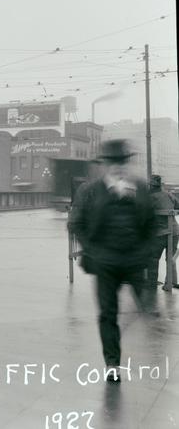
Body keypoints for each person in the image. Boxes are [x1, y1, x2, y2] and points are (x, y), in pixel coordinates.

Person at [68, 139, 158, 382]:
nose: (118, 167)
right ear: (104, 165)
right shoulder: (90, 190)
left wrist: (145, 252)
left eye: (122, 162)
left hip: (134, 260)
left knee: (148, 308)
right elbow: (75, 223)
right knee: (108, 314)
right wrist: (92, 250)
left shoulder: (139, 188)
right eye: (112, 162)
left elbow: (151, 223)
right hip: (104, 263)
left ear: (126, 164)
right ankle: (112, 365)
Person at [148, 174, 179, 290]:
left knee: (153, 257)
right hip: (175, 232)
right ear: (160, 185)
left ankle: (151, 283)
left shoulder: (149, 198)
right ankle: (171, 283)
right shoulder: (169, 195)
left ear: (150, 185)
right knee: (171, 258)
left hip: (160, 232)